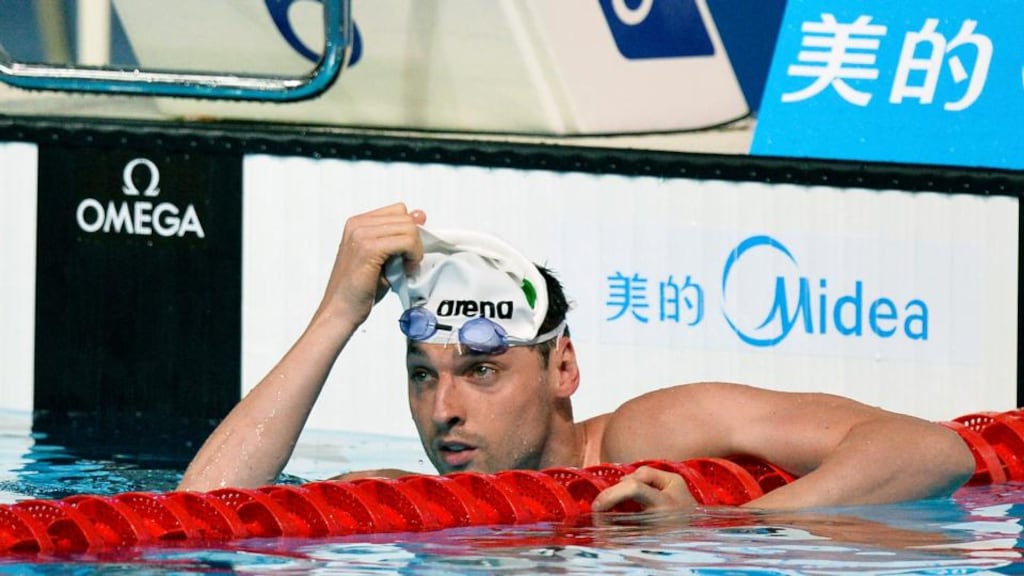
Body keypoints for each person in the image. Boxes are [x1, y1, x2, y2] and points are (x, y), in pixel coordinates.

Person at [178, 203, 975, 512]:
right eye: (424, 376)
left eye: (481, 371)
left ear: (563, 370)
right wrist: (337, 314)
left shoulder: (647, 440)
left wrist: (727, 525)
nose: (442, 409)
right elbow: (190, 525)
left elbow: (929, 449)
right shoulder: (404, 503)